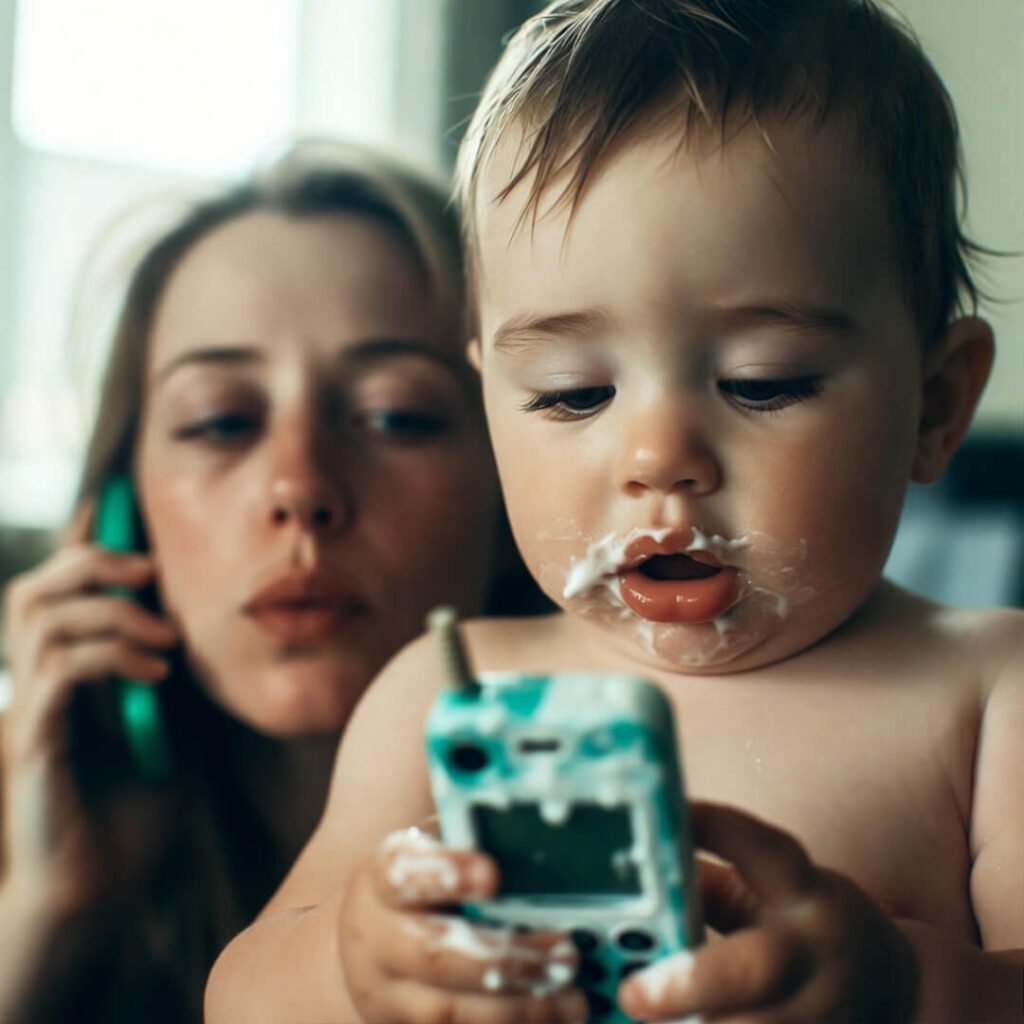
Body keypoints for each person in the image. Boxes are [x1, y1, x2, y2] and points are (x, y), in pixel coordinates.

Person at [206, 2, 1023, 1022]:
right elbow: (238, 995)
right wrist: (353, 964)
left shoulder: (988, 694)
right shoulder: (451, 693)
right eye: (573, 394)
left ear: (934, 407)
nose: (657, 458)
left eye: (763, 382)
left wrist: (910, 990)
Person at [0, 139, 544, 1023]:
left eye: (395, 415)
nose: (299, 486)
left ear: (513, 486)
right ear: (122, 516)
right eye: (220, 421)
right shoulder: (36, 833)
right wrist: (41, 915)